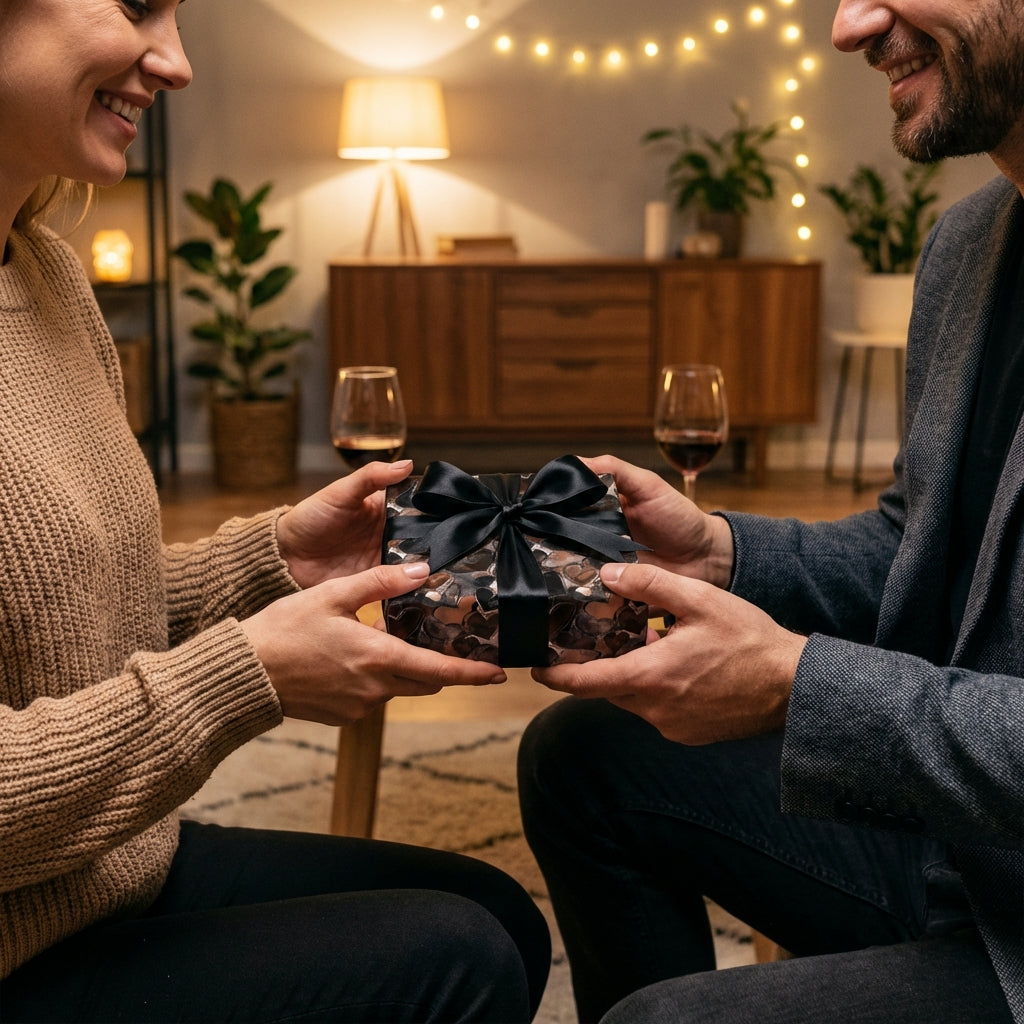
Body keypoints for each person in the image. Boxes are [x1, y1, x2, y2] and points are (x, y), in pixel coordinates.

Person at [0, 2, 550, 1021]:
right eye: (137, 3)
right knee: (457, 958)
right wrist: (242, 676)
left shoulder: (47, 277)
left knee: (499, 912)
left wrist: (274, 561)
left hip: (95, 880)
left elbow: (65, 619)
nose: (177, 62)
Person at [518, 1, 1024, 1022]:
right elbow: (920, 550)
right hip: (966, 854)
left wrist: (797, 687)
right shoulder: (972, 241)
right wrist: (717, 553)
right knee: (584, 756)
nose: (849, 25)